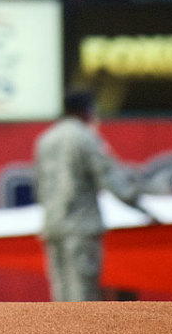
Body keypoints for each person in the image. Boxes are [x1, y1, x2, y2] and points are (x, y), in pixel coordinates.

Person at [33, 89, 148, 302]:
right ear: (86, 111)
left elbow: (40, 186)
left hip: (53, 227)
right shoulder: (85, 138)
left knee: (61, 293)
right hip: (81, 228)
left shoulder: (45, 140)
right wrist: (145, 209)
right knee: (82, 295)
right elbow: (112, 181)